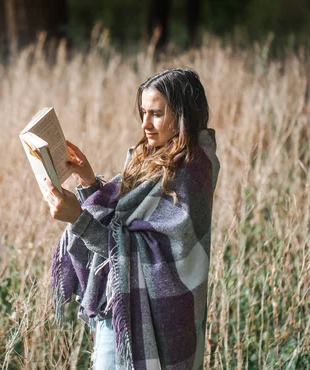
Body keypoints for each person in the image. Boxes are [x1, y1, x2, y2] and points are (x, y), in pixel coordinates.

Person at [45, 68, 220, 370]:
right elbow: (120, 227)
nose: (145, 124)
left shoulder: (191, 170)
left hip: (155, 320)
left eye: (156, 113)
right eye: (142, 112)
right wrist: (88, 181)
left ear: (183, 115)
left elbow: (145, 254)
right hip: (120, 308)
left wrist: (78, 219)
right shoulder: (148, 158)